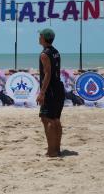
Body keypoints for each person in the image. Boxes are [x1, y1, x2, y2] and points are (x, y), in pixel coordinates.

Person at [36, 28, 65, 157]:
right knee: (56, 119)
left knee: (46, 119)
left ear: (44, 38)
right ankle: (56, 149)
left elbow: (47, 74)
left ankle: (51, 151)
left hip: (51, 90)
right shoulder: (55, 52)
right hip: (58, 88)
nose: (39, 38)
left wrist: (42, 93)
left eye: (40, 36)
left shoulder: (44, 54)